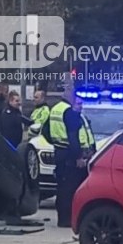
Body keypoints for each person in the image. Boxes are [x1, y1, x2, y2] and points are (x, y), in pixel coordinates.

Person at [43, 89, 91, 227]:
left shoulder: (55, 109)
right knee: (71, 189)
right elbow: (73, 137)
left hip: (59, 152)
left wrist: (56, 142)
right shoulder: (69, 112)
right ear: (70, 98)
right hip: (69, 154)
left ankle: (63, 219)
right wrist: (78, 157)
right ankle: (68, 220)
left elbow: (45, 131)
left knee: (62, 188)